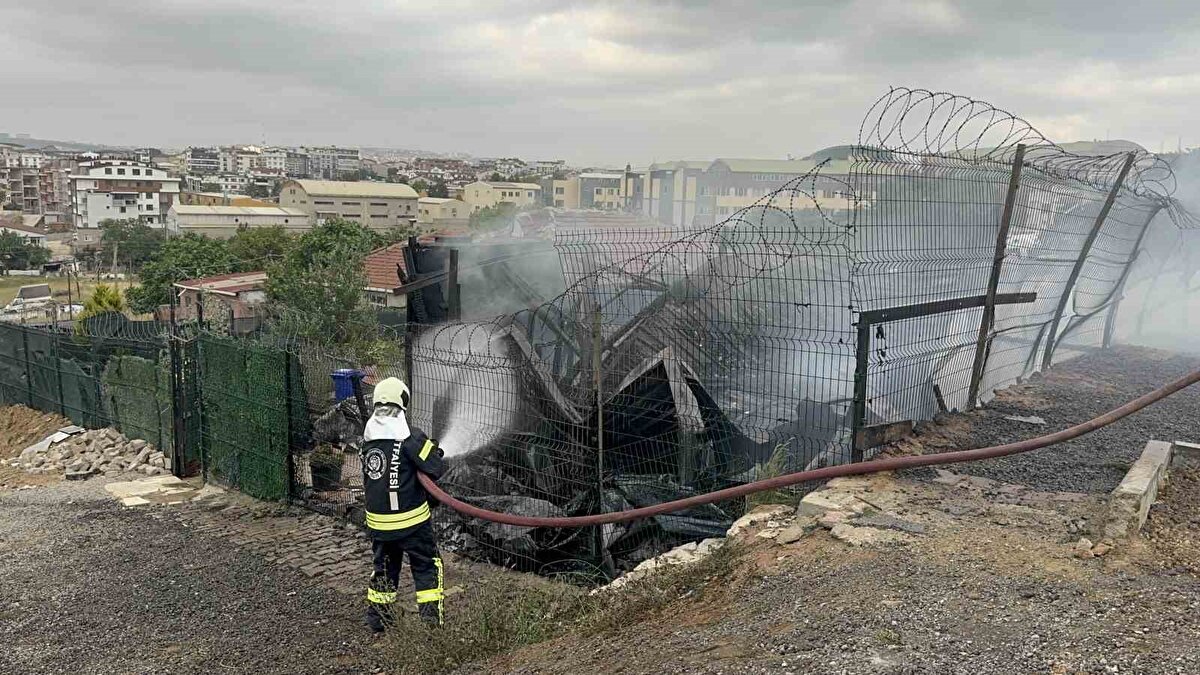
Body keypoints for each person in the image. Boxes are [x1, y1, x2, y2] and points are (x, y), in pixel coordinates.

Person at [359, 377, 446, 632]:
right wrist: (434, 451)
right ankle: (432, 624)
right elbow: (435, 466)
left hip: (378, 523)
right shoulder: (411, 437)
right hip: (412, 522)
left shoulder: (368, 439)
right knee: (427, 566)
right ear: (403, 402)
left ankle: (378, 620)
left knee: (384, 568)